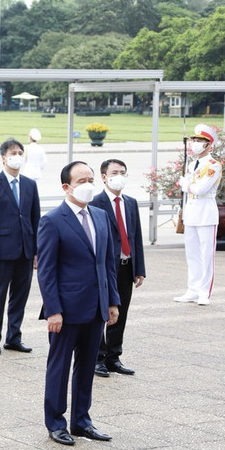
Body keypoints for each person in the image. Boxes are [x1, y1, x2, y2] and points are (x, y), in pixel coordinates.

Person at [37, 161, 119, 446]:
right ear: (66, 187)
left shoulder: (99, 215)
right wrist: (53, 310)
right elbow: (46, 271)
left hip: (95, 307)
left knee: (86, 367)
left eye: (90, 179)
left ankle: (82, 421)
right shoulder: (52, 220)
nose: (88, 185)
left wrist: (112, 302)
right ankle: (56, 422)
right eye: (81, 180)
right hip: (66, 310)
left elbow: (107, 263)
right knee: (59, 367)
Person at [0, 138, 40, 356]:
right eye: (13, 153)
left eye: (20, 153)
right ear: (3, 157)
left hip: (25, 250)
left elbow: (35, 219)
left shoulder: (30, 185)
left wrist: (36, 252)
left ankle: (14, 337)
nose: (17, 157)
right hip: (2, 253)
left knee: (20, 297)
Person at [91, 159, 146, 378]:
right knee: (102, 312)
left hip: (125, 266)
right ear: (104, 176)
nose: (119, 176)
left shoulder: (130, 203)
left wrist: (139, 268)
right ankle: (98, 357)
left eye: (123, 172)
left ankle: (114, 356)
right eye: (115, 172)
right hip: (105, 268)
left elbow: (137, 237)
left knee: (121, 313)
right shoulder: (96, 203)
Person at [175, 123, 222, 306]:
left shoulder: (213, 165)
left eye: (200, 141)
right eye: (194, 140)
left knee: (206, 254)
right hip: (191, 212)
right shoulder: (191, 163)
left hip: (206, 212)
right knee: (192, 254)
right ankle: (192, 289)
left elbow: (201, 189)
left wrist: (186, 185)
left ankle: (204, 292)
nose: (195, 144)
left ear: (209, 145)